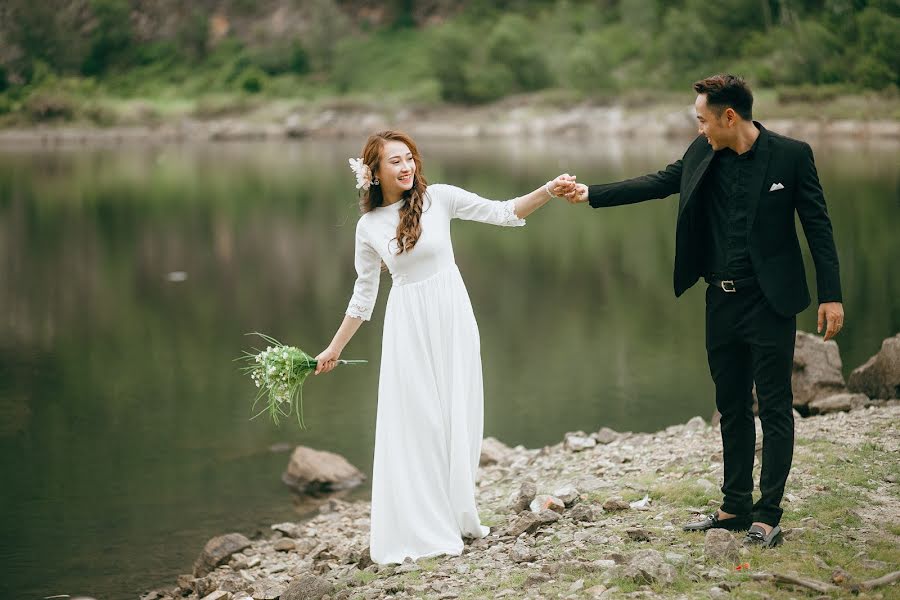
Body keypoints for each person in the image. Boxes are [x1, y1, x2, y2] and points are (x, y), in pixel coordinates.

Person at [565, 75, 844, 548]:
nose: (699, 129)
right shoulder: (702, 154)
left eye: (702, 119)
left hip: (770, 301)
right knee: (731, 404)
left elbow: (818, 226)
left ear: (728, 116)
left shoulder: (792, 155)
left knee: (774, 407)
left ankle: (768, 514)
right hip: (721, 300)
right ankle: (734, 506)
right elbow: (656, 183)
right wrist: (591, 193)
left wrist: (831, 294)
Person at [314, 130, 576, 564]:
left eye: (409, 158)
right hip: (408, 328)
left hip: (452, 318)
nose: (405, 166)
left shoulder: (441, 199)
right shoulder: (368, 227)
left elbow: (504, 212)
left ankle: (456, 514)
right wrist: (334, 348)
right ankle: (421, 526)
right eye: (394, 161)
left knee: (457, 416)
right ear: (374, 173)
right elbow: (363, 295)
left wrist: (547, 190)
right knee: (419, 424)